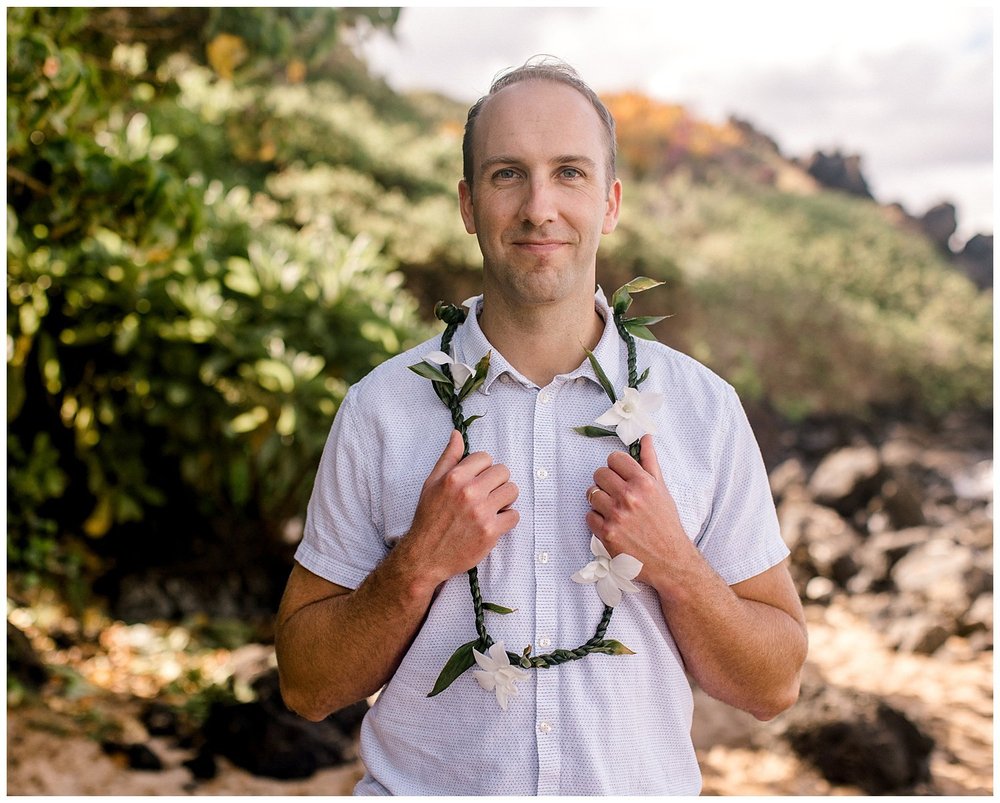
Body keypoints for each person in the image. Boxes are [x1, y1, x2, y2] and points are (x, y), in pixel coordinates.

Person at [275, 57, 807, 795]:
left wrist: (677, 566)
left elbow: (775, 683)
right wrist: (417, 565)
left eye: (569, 173)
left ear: (611, 201)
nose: (538, 207)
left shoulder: (704, 410)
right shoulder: (380, 409)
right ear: (468, 204)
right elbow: (304, 683)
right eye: (506, 174)